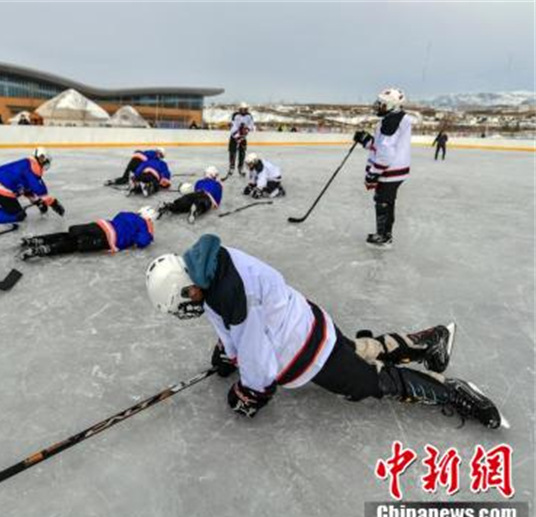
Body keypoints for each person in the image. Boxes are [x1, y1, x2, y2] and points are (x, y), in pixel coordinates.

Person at [145, 234, 506, 430]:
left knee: (368, 382)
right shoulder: (207, 268)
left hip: (304, 348)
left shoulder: (230, 296)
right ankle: (428, 340)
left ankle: (453, 393)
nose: (186, 310)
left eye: (182, 303)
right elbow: (226, 323)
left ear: (186, 288)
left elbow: (260, 363)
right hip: (307, 320)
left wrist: (249, 393)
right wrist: (228, 352)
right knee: (357, 350)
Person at [353, 87, 413, 248]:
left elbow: (385, 153)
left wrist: (373, 173)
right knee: (387, 201)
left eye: (382, 104)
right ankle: (385, 234)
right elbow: (383, 146)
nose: (378, 106)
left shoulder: (390, 121)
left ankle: (384, 237)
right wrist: (366, 141)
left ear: (391, 105)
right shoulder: (397, 118)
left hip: (389, 171)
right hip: (395, 170)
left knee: (383, 202)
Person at [0, 147, 64, 226]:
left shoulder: (25, 164)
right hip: (2, 187)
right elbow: (39, 189)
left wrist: (38, 202)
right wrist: (53, 202)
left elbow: (28, 190)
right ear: (40, 157)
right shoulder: (32, 167)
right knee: (18, 214)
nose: (45, 164)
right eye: (45, 160)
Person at [20, 206, 157, 260]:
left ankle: (36, 240)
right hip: (108, 238)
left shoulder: (128, 214)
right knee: (75, 245)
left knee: (69, 235)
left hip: (100, 225)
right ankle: (45, 249)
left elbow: (118, 217)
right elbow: (142, 241)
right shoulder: (144, 225)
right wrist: (149, 231)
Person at [158, 166, 223, 223]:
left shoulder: (199, 182)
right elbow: (216, 202)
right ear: (214, 175)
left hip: (196, 194)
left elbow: (196, 191)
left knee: (185, 201)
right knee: (203, 202)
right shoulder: (217, 185)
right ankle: (196, 209)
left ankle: (170, 206)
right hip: (206, 197)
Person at [227, 102, 255, 178]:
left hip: (243, 137)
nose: (244, 111)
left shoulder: (249, 116)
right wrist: (236, 136)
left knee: (242, 153)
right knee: (232, 152)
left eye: (245, 109)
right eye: (242, 109)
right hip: (234, 137)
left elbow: (251, 125)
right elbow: (233, 126)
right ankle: (231, 167)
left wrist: (246, 130)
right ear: (239, 109)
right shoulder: (235, 115)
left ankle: (240, 168)